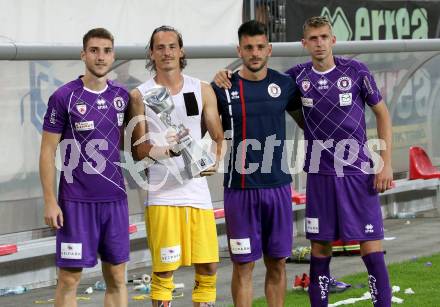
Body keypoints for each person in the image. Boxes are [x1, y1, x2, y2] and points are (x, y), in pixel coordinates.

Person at [285, 16, 393, 306]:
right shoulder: (296, 76)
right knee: (320, 251)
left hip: (359, 172)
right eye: (313, 38)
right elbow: (262, 88)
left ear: (332, 40)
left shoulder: (356, 71)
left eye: (324, 37)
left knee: (370, 248)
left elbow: (382, 114)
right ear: (304, 43)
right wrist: (225, 78)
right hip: (320, 175)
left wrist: (385, 163)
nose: (319, 43)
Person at [128, 25, 224, 307]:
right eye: (160, 47)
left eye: (172, 46)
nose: (167, 52)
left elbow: (218, 137)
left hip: (197, 192)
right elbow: (139, 150)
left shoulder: (202, 89)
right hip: (162, 193)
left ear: (181, 51)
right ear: (151, 53)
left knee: (207, 268)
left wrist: (214, 162)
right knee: (164, 271)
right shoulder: (139, 95)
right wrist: (170, 150)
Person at [211, 20, 301, 307]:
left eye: (260, 47)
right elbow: (204, 129)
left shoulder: (284, 85)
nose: (255, 53)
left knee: (277, 263)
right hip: (239, 190)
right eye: (248, 47)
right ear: (239, 49)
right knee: (243, 266)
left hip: (277, 188)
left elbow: (309, 123)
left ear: (269, 49)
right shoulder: (221, 88)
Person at [39, 28, 130, 307]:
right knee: (69, 279)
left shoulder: (123, 97)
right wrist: (50, 201)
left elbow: (129, 146)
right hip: (75, 203)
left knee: (116, 276)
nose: (100, 57)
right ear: (83, 54)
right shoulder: (63, 97)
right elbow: (46, 151)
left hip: (115, 202)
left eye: (106, 51)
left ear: (113, 55)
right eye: (94, 50)